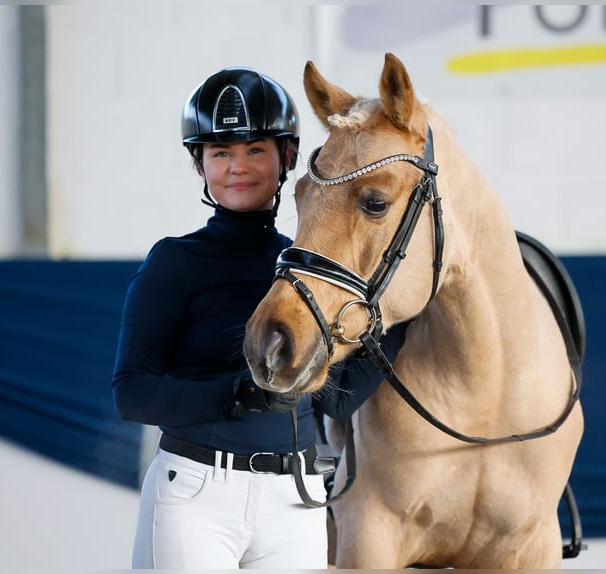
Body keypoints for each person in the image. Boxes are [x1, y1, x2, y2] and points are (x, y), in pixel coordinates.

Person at [111, 66, 406, 570]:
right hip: (198, 495)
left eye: (255, 150)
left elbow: (335, 404)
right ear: (200, 164)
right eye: (220, 152)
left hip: (296, 498)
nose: (238, 167)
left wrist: (398, 318)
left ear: (287, 157)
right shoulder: (174, 261)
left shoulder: (311, 271)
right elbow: (132, 392)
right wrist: (236, 394)